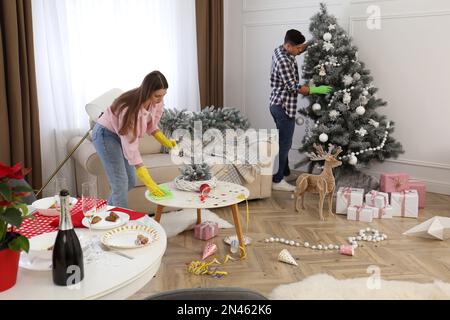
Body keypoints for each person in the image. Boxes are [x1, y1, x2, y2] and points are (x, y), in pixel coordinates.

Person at [92, 71, 176, 208]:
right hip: (105, 134)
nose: (160, 99)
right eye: (157, 96)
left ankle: (106, 214)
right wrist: (148, 179)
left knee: (130, 181)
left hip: (120, 135)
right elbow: (130, 143)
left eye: (163, 95)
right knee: (120, 183)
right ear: (147, 92)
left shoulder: (156, 102)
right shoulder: (129, 109)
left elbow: (151, 125)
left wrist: (165, 141)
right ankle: (121, 226)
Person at [270, 29, 332, 192]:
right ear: (289, 46)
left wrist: (313, 41)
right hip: (283, 107)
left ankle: (285, 172)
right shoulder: (284, 60)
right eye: (297, 49)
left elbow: (301, 47)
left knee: (283, 141)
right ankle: (277, 181)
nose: (299, 51)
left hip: (276, 104)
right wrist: (318, 90)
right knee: (285, 143)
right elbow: (293, 87)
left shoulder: (280, 48)